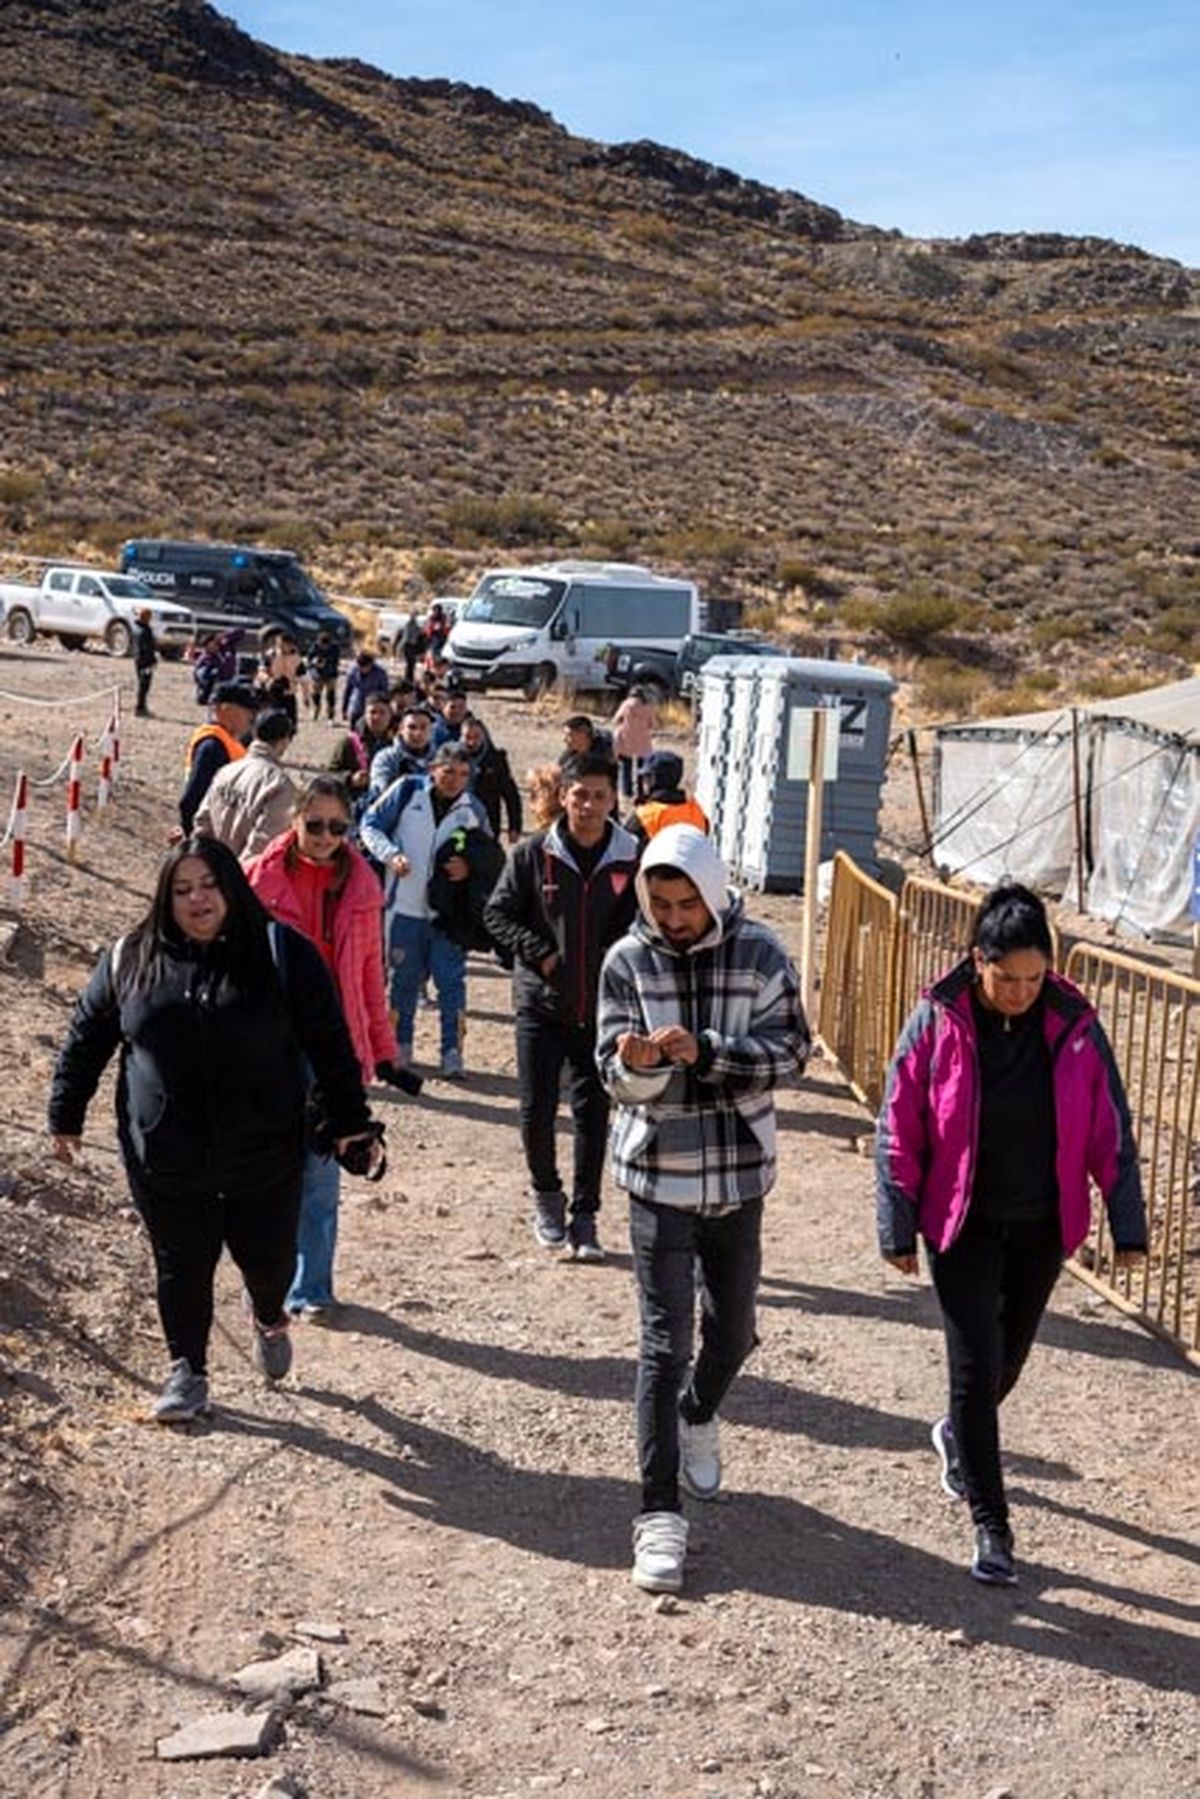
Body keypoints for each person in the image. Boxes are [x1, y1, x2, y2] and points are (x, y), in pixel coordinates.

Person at [48, 837, 378, 1422]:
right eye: (182, 889)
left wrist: (351, 1123)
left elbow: (329, 1045)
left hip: (266, 1151)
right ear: (164, 898)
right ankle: (187, 1371)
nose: (197, 899)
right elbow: (87, 1036)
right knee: (182, 1264)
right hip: (165, 1154)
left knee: (269, 1262)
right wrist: (65, 1114)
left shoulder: (282, 953)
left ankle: (269, 1316)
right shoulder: (131, 957)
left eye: (209, 884)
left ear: (232, 887)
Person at [875, 883, 1147, 1587]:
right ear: (977, 960)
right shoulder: (938, 1017)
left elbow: (1107, 1125)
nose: (1023, 991)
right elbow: (899, 1121)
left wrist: (1128, 1220)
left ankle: (960, 1434)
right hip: (959, 1223)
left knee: (1008, 1358)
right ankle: (992, 1524)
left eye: (1034, 977)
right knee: (972, 1364)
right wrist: (897, 1219)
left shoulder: (1075, 1021)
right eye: (1007, 978)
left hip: (1042, 1226)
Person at [596, 824, 810, 1593]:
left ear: (713, 892)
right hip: (657, 1176)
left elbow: (793, 1050)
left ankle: (699, 1411)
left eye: (688, 902)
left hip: (739, 1176)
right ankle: (658, 1514)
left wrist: (710, 1052)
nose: (676, 917)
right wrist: (640, 1066)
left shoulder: (760, 953)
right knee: (663, 1340)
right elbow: (607, 1069)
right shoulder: (626, 960)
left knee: (732, 1330)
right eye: (662, 903)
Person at [247, 778, 410, 1320]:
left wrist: (383, 1050)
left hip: (331, 1049)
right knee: (267, 1166)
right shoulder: (258, 881)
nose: (324, 837)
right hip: (267, 1041)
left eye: (337, 828)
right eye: (313, 825)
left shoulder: (363, 890)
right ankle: (264, 1280)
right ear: (293, 821)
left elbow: (370, 976)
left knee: (321, 1169)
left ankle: (311, 1287)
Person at [485, 754, 640, 1261]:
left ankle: (587, 1215)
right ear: (564, 795)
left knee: (594, 1112)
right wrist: (542, 955)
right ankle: (546, 1196)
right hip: (541, 1005)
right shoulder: (533, 854)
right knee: (536, 1109)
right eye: (580, 794)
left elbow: (645, 924)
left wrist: (618, 964)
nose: (589, 805)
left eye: (599, 795)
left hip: (602, 1010)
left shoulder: (632, 858)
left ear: (614, 799)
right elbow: (498, 914)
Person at [360, 742, 491, 1079]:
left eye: (463, 774)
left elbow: (490, 856)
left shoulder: (472, 808)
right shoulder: (406, 791)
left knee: (451, 985)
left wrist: (470, 867)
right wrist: (390, 854)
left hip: (448, 916)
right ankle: (398, 1047)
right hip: (403, 909)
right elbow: (370, 824)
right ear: (433, 769)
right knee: (402, 982)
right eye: (448, 772)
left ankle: (452, 1052)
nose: (455, 780)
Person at [194, 710, 297, 861]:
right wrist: (237, 878)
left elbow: (202, 822)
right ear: (284, 741)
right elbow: (264, 844)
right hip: (244, 877)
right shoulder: (279, 785)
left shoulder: (226, 771)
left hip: (211, 869)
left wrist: (208, 865)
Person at [178, 682, 257, 835]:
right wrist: (194, 838)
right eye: (246, 711)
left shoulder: (227, 741)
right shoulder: (213, 747)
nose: (251, 717)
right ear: (225, 709)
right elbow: (190, 801)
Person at [625, 751, 709, 850]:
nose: (644, 783)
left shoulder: (646, 815)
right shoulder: (696, 813)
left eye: (646, 778)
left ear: (653, 780)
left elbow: (623, 847)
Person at [329, 692, 394, 816]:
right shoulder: (348, 742)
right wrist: (350, 780)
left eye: (382, 712)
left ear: (390, 714)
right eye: (372, 712)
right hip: (354, 807)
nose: (377, 717)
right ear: (365, 714)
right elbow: (329, 775)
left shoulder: (398, 743)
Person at [462, 713, 523, 844]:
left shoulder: (496, 760)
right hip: (458, 822)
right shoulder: (453, 758)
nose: (472, 742)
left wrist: (514, 826)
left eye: (476, 737)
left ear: (484, 737)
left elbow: (511, 795)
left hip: (488, 823)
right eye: (467, 737)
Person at [368, 704, 434, 803]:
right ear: (401, 729)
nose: (418, 733)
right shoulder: (386, 758)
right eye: (412, 727)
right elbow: (381, 793)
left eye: (423, 727)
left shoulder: (440, 759)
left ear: (431, 731)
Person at [611, 685, 657, 802]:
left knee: (626, 766)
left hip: (627, 738)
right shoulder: (647, 707)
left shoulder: (626, 705)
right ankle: (641, 790)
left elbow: (616, 719)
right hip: (643, 740)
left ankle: (627, 790)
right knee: (642, 767)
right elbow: (653, 724)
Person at [342, 649, 390, 731]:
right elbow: (348, 690)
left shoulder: (380, 673)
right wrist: (344, 707)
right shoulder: (353, 671)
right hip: (356, 705)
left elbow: (385, 692)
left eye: (365, 666)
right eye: (360, 666)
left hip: (373, 706)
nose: (362, 669)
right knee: (353, 731)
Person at [309, 631, 340, 723]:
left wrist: (327, 662)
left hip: (331, 673)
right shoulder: (314, 646)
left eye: (325, 646)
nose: (323, 648)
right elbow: (309, 659)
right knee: (315, 693)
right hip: (317, 673)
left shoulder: (335, 648)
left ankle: (330, 716)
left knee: (331, 695)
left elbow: (336, 661)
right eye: (321, 645)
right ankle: (316, 709)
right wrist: (315, 662)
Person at [133, 607, 157, 718]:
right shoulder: (145, 631)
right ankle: (140, 707)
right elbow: (147, 648)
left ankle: (141, 706)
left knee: (142, 684)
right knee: (144, 685)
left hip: (138, 660)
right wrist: (152, 660)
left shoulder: (137, 628)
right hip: (145, 662)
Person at [430, 681, 468, 750]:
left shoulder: (471, 728)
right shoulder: (434, 730)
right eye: (452, 707)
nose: (457, 711)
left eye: (461, 707)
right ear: (443, 707)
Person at [399, 612, 425, 684]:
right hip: (409, 646)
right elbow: (405, 637)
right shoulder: (409, 625)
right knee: (410, 663)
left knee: (411, 664)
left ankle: (409, 678)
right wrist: (400, 647)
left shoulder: (416, 625)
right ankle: (408, 678)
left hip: (413, 647)